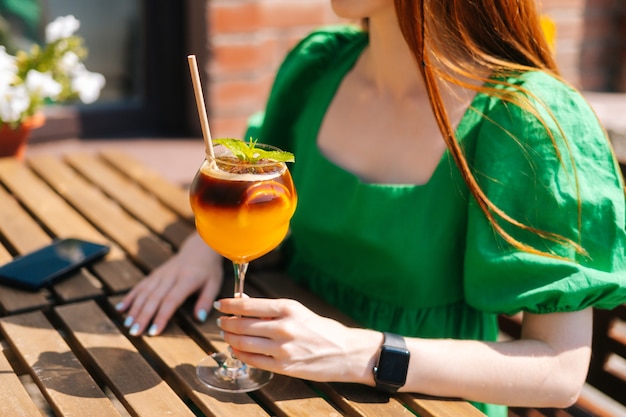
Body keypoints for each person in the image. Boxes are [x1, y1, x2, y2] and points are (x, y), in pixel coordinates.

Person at [116, 1, 626, 415]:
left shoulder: (527, 119)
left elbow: (558, 374)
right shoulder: (319, 66)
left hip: (426, 402)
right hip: (281, 388)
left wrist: (357, 353)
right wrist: (204, 248)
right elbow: (251, 190)